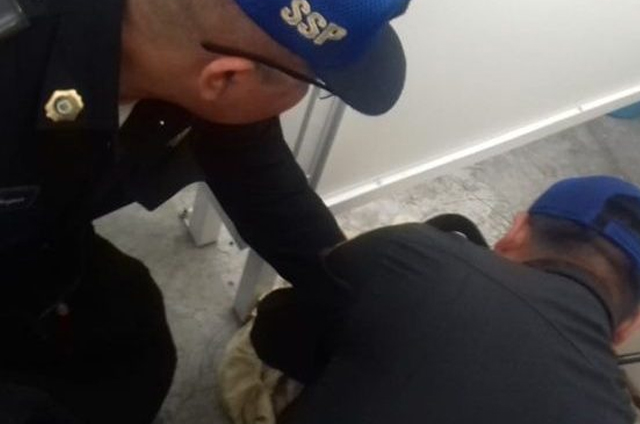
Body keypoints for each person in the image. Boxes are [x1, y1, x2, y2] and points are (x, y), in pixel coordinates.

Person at [0, 0, 410, 422]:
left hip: (46, 247)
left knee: (134, 336)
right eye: (314, 84)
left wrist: (362, 293)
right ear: (227, 78)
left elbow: (258, 176)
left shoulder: (193, 55)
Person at [249, 176, 640, 424]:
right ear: (629, 327)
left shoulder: (408, 254)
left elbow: (274, 334)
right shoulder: (615, 414)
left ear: (516, 233)